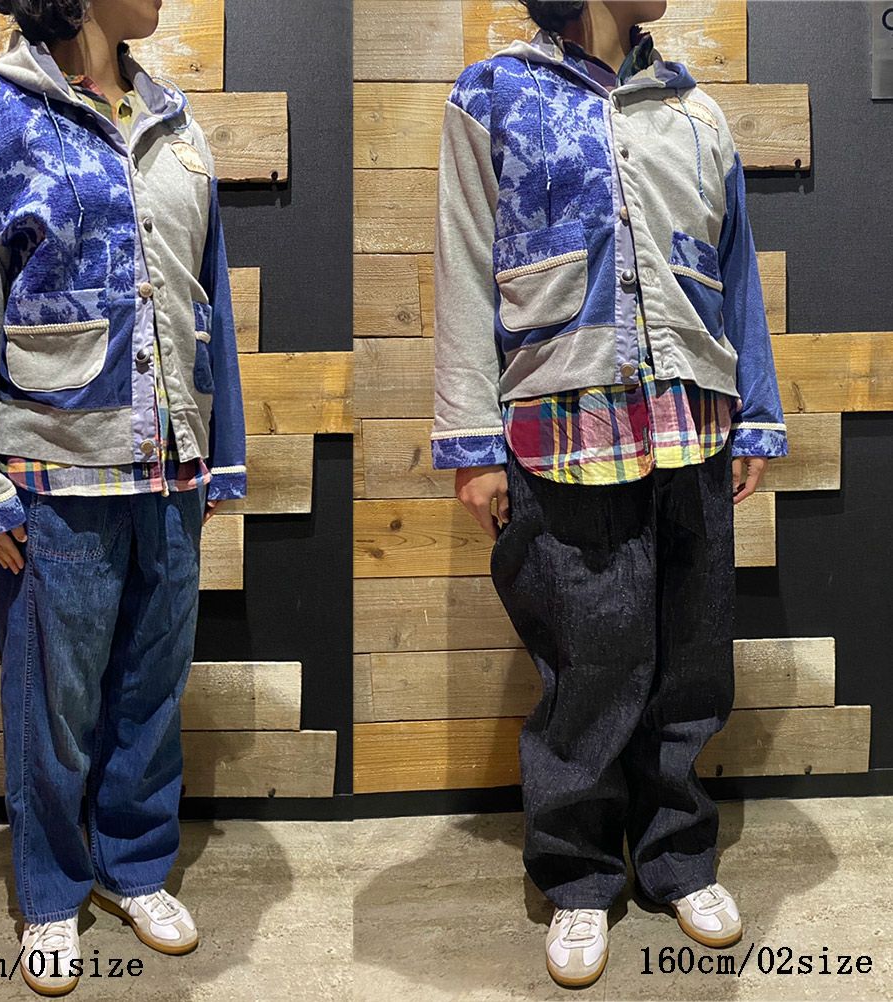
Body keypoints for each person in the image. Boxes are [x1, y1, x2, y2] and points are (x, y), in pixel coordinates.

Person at [429, 0, 787, 989]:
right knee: (589, 662)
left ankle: (679, 858)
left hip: (692, 423)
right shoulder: (493, 97)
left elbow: (735, 269)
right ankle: (579, 877)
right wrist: (470, 444)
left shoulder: (693, 110)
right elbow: (465, 266)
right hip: (563, 427)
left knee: (692, 657)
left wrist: (756, 413)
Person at [0, 0, 246, 994]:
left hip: (169, 465)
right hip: (53, 470)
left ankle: (134, 865)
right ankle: (51, 891)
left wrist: (221, 450)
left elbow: (206, 296)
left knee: (153, 686)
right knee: (53, 705)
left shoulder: (172, 119)